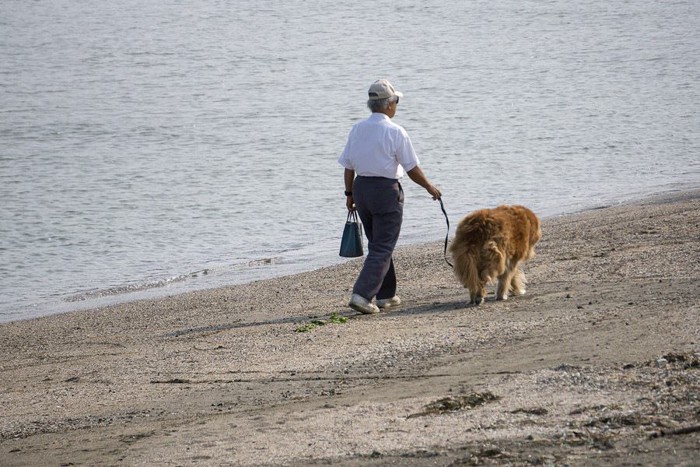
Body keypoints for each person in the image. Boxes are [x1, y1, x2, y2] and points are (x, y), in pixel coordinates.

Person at [338, 79, 442, 315]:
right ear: (388, 105)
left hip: (361, 188)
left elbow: (348, 166)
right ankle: (362, 295)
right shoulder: (396, 131)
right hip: (386, 191)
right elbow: (411, 168)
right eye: (396, 101)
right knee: (383, 246)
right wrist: (430, 187)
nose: (396, 106)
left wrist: (349, 194)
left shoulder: (357, 129)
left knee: (379, 243)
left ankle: (386, 295)